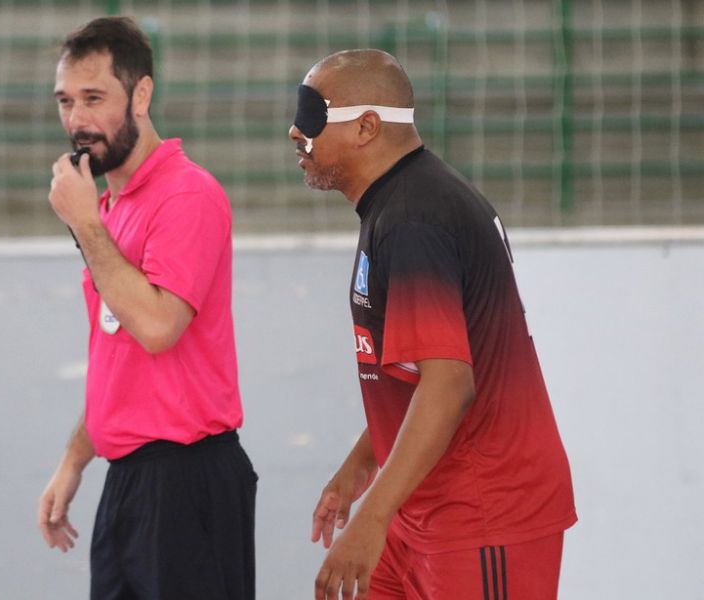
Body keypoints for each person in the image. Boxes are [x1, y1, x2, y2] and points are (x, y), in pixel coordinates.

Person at [288, 50, 577, 600]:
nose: (296, 132)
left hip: (482, 511)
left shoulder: (414, 218)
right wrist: (359, 466)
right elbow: (416, 376)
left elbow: (448, 386)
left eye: (313, 115)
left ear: (367, 127)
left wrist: (371, 517)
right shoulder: (401, 203)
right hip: (423, 503)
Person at [38, 16, 256, 600]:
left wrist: (85, 224)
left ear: (141, 94)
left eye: (93, 99)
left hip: (187, 482)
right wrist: (74, 460)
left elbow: (158, 327)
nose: (77, 122)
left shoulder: (187, 194)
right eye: (65, 101)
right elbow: (122, 360)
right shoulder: (110, 208)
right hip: (129, 481)